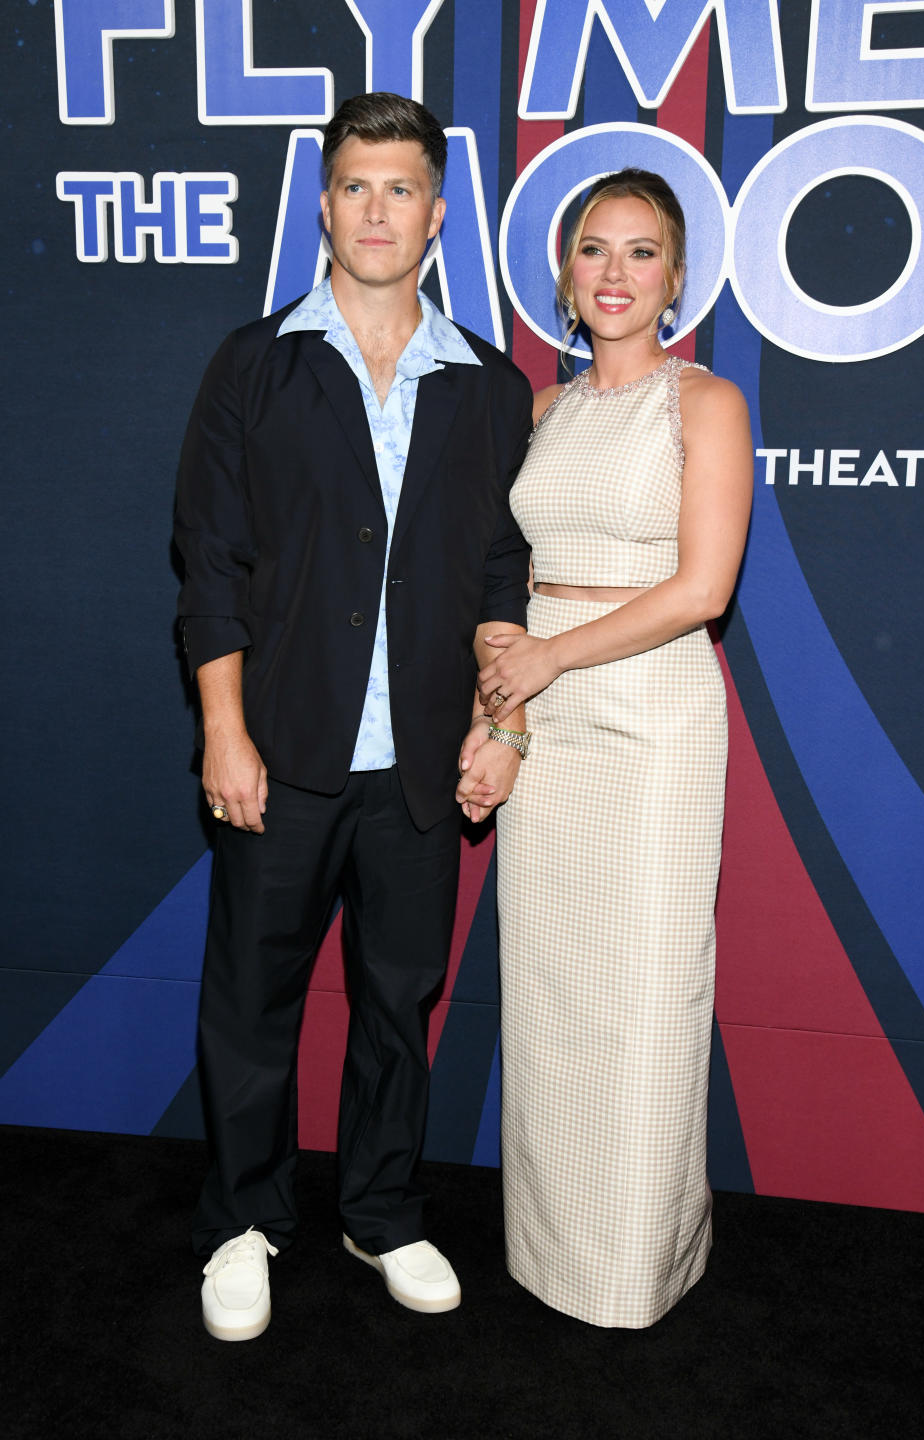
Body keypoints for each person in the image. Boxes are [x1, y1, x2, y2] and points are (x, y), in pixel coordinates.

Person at [174, 91, 532, 1340]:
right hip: (281, 753)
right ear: (324, 207)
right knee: (254, 1002)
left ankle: (381, 1209)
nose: (376, 209)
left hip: (421, 770)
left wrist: (498, 722)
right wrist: (224, 729)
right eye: (354, 185)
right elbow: (210, 563)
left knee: (398, 1001)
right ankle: (242, 1218)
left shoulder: (490, 386)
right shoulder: (254, 363)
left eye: (401, 188)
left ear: (438, 216)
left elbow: (501, 576)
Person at [472, 169, 753, 1328]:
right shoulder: (540, 412)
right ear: (565, 274)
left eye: (643, 254)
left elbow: (702, 588)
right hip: (548, 717)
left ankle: (632, 1272)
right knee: (548, 994)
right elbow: (502, 585)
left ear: (678, 279)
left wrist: (548, 659)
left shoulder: (708, 404)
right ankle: (553, 1252)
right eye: (595, 250)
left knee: (642, 998)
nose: (616, 274)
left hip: (651, 724)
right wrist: (502, 712)